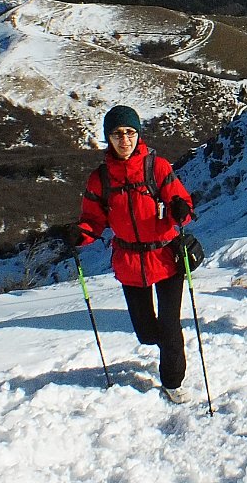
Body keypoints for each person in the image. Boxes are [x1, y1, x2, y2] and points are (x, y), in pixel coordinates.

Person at [72, 105, 195, 402]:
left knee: (169, 326)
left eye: (129, 132)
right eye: (117, 134)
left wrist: (181, 210)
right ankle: (166, 349)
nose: (124, 139)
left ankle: (173, 382)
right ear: (108, 138)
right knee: (145, 332)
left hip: (166, 257)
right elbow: (93, 220)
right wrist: (80, 235)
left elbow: (182, 202)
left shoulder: (157, 167)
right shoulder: (100, 180)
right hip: (129, 262)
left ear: (138, 135)